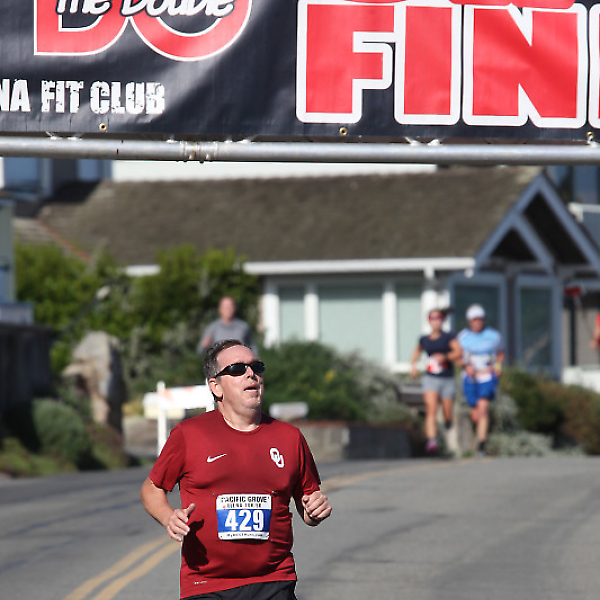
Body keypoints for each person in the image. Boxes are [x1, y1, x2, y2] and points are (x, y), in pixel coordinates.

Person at [140, 339, 332, 600]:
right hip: (207, 585)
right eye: (237, 369)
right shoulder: (189, 434)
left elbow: (308, 506)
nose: (250, 373)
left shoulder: (290, 437)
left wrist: (315, 510)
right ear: (216, 387)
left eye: (256, 367)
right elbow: (152, 488)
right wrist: (168, 517)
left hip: (274, 580)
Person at [410, 308, 461, 454]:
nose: (435, 321)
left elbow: (458, 352)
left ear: (442, 320)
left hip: (447, 378)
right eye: (432, 318)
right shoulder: (424, 339)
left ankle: (447, 421)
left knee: (447, 411)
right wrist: (413, 366)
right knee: (431, 409)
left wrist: (445, 357)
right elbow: (417, 351)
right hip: (430, 377)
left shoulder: (448, 337)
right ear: (429, 321)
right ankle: (431, 441)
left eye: (438, 318)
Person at [456, 304, 505, 457]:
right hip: (470, 378)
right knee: (475, 413)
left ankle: (481, 445)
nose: (477, 322)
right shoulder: (462, 337)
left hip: (487, 376)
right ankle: (477, 438)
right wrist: (465, 365)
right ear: (469, 321)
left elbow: (501, 353)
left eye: (480, 319)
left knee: (483, 409)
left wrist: (498, 366)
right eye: (474, 320)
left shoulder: (493, 336)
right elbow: (457, 357)